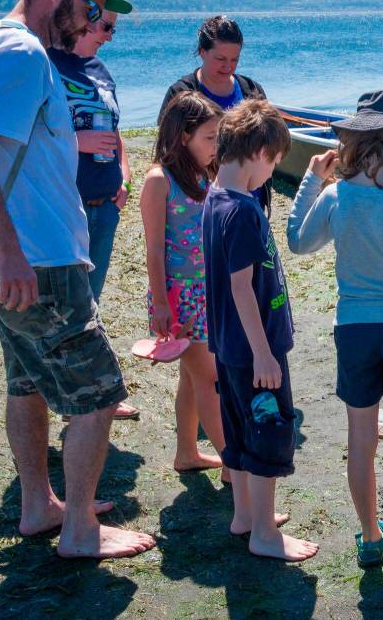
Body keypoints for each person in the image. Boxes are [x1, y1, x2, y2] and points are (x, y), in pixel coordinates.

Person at [0, 0, 154, 558]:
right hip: (37, 260)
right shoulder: (19, 50)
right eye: (91, 8)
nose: (94, 24)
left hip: (26, 255)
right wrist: (9, 253)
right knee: (99, 395)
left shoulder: (1, 43)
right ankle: (81, 530)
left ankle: (40, 505)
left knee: (27, 384)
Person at [287, 90, 383, 578]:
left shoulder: (337, 195)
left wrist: (312, 180)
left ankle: (371, 539)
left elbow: (298, 242)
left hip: (354, 331)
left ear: (354, 142)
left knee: (360, 438)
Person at [203, 99, 317, 560]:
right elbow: (242, 290)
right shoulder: (245, 212)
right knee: (267, 431)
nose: (273, 171)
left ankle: (247, 516)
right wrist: (265, 355)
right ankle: (265, 535)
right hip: (256, 350)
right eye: (273, 160)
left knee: (239, 430)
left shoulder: (215, 198)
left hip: (228, 347)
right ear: (257, 151)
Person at [48, 8, 139, 421]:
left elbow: (113, 124)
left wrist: (124, 175)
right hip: (65, 206)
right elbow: (28, 134)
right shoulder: (45, 63)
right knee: (65, 307)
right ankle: (78, 399)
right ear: (80, 20)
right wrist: (76, 141)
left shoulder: (99, 68)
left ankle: (93, 394)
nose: (108, 36)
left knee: (91, 303)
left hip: (105, 207)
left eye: (113, 31)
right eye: (104, 27)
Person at [140, 92, 230, 481]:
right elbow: (154, 251)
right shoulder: (159, 180)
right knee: (208, 379)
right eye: (209, 137)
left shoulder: (202, 174)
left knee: (192, 378)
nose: (216, 146)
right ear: (182, 136)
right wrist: (161, 303)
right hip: (178, 297)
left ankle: (187, 452)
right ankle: (235, 465)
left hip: (207, 291)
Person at [160, 15, 272, 212]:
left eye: (234, 59)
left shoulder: (252, 90)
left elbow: (268, 143)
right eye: (220, 59)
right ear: (202, 52)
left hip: (250, 201)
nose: (227, 66)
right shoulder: (181, 94)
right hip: (199, 204)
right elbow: (167, 152)